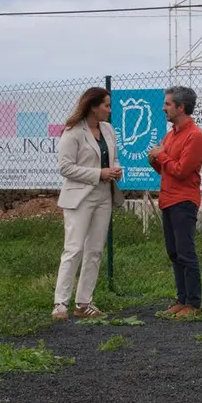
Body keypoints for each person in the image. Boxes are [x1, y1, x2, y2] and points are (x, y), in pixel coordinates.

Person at [53, 87, 124, 320]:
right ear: (93, 107)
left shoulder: (108, 130)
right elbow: (65, 168)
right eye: (106, 105)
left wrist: (115, 170)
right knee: (73, 248)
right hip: (79, 196)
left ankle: (84, 303)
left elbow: (113, 158)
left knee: (95, 250)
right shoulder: (73, 132)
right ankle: (60, 303)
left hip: (104, 195)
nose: (109, 110)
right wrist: (98, 173)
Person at [148, 85, 202, 318]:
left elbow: (182, 171)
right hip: (168, 199)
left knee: (185, 252)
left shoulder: (195, 136)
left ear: (181, 107)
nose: (164, 108)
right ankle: (181, 299)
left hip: (184, 201)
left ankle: (193, 304)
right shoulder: (171, 134)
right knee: (173, 252)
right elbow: (167, 170)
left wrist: (161, 155)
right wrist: (154, 160)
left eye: (168, 104)